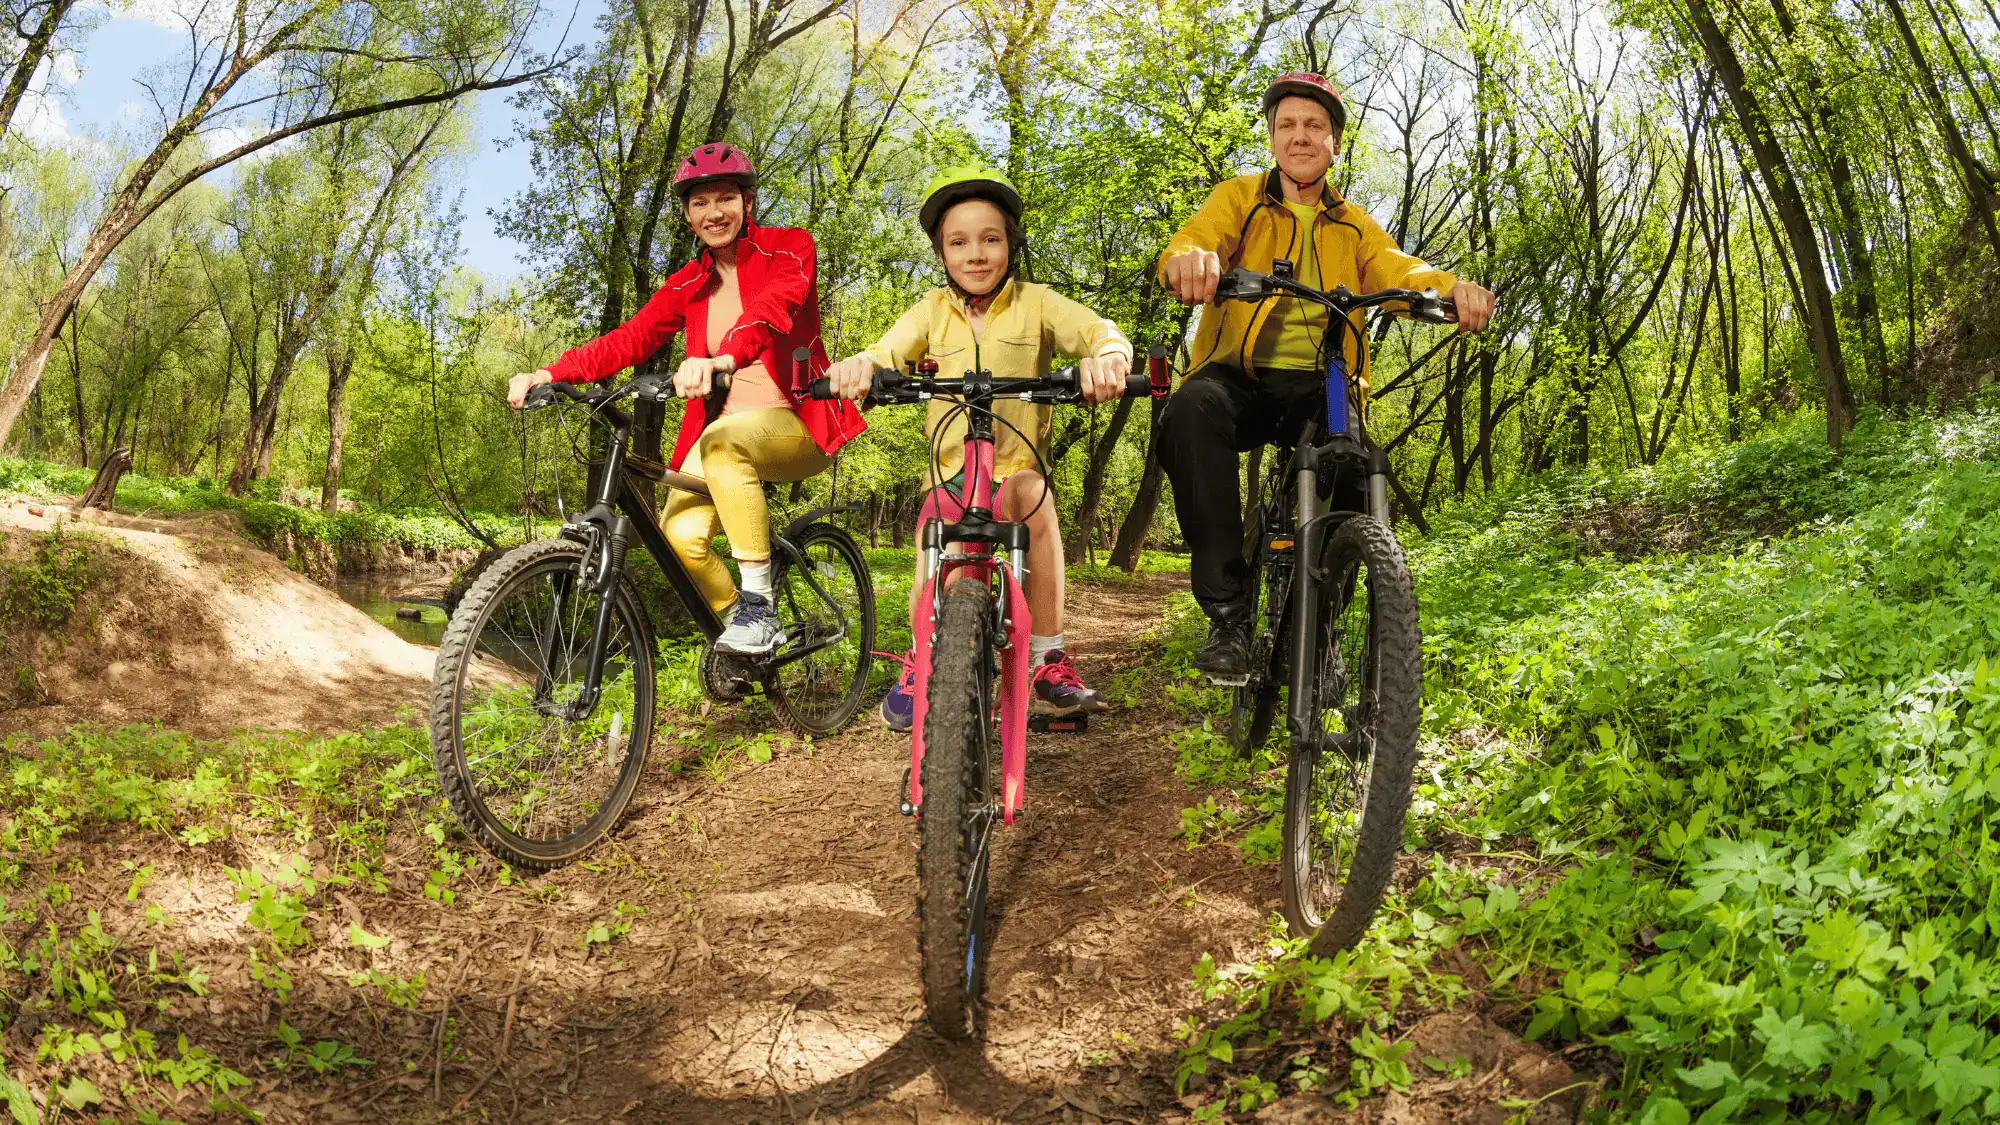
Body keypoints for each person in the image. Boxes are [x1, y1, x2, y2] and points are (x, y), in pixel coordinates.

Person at [1156, 73, 1495, 677]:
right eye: (1287, 125)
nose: (1300, 136)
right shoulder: (1240, 198)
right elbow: (1200, 238)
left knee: (1356, 470)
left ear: (1335, 142)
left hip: (1323, 382)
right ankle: (1229, 616)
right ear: (1272, 137)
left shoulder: (1353, 223)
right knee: (1188, 411)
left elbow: (1397, 268)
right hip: (1241, 375)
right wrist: (1191, 259)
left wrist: (1449, 290)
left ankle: (1322, 636)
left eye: (1314, 126)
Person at [507, 143, 864, 656]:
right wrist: (550, 371)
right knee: (679, 539)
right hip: (721, 433)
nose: (714, 212)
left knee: (723, 442)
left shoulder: (789, 248)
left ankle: (760, 606)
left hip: (798, 419)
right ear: (687, 214)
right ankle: (744, 629)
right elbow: (631, 337)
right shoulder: (690, 282)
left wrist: (723, 359)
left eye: (725, 199)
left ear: (747, 202)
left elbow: (774, 307)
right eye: (700, 203)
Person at [824, 167, 1133, 730]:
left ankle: (1047, 660)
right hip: (951, 474)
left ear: (1010, 244)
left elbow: (1096, 330)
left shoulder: (1037, 303)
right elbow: (885, 351)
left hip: (1013, 470)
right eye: (958, 242)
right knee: (935, 524)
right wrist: (860, 368)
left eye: (990, 239)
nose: (976, 254)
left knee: (1035, 497)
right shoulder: (929, 310)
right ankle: (925, 655)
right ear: (942, 252)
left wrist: (1109, 357)